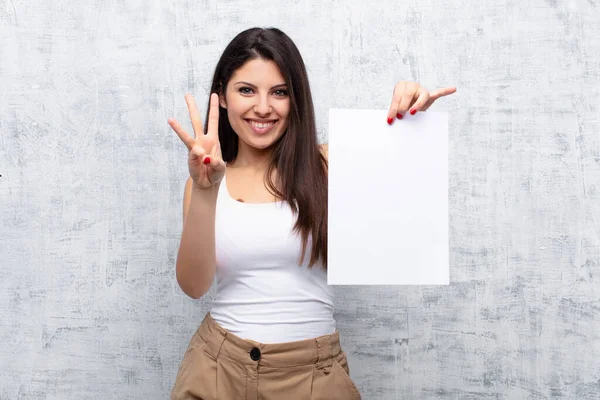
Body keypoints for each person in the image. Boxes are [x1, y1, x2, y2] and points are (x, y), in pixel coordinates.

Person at [167, 27, 456, 400]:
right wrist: (206, 191)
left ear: (295, 98)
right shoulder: (202, 183)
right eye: (246, 90)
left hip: (312, 376)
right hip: (218, 367)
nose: (263, 107)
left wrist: (410, 116)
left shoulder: (327, 165)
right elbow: (193, 286)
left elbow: (407, 191)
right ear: (222, 96)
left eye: (280, 92)